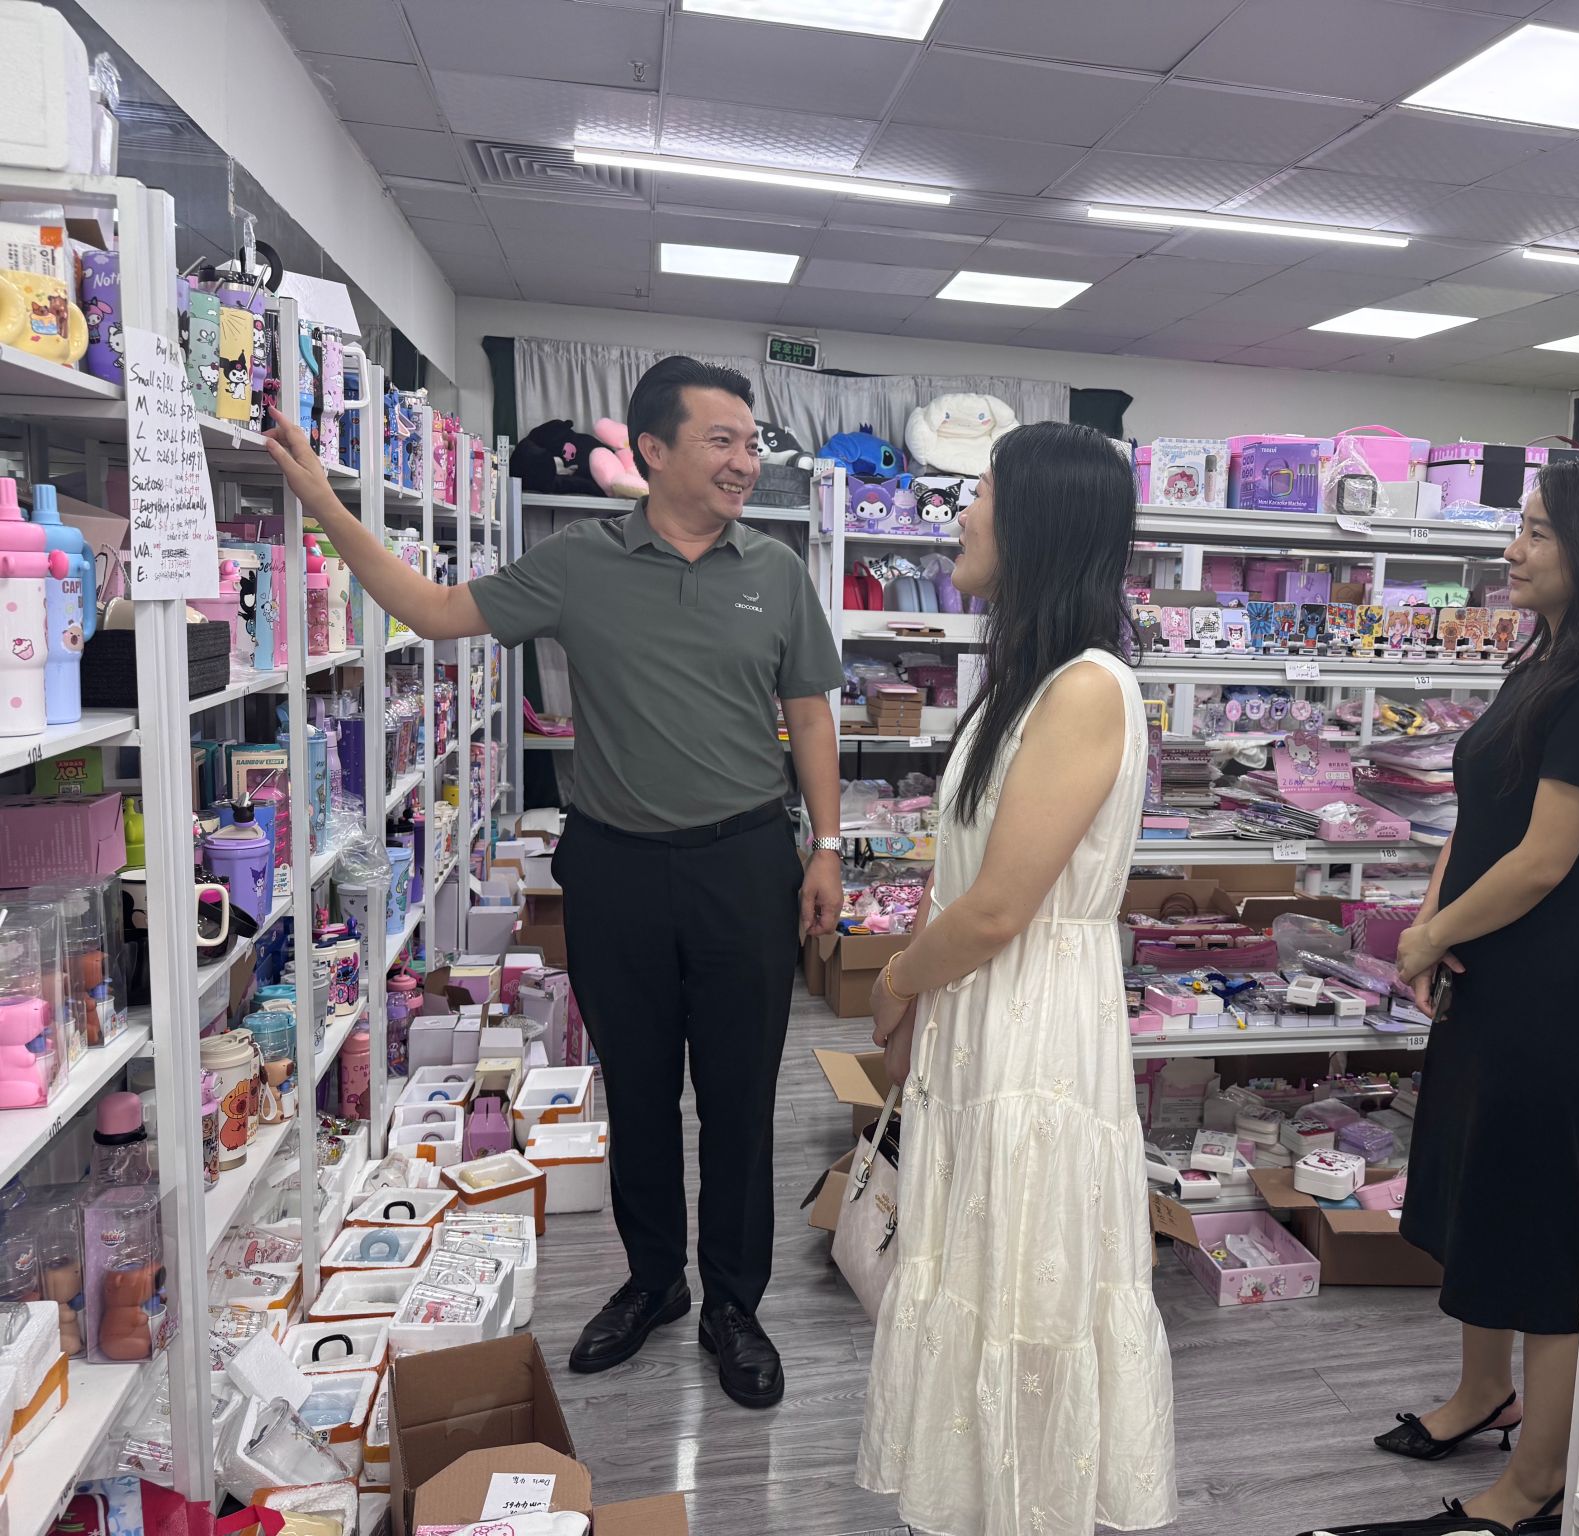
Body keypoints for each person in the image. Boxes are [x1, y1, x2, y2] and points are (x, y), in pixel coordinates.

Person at [263, 356, 845, 1405]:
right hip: (616, 865)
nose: (744, 462)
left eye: (749, 443)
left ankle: (733, 1302)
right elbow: (433, 610)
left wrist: (830, 846)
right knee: (639, 1089)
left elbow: (809, 713)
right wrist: (323, 501)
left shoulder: (776, 569)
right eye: (721, 440)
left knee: (739, 1099)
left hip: (745, 861)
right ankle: (655, 1281)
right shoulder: (580, 562)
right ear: (653, 450)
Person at [856, 423, 1177, 1536]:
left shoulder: (1086, 688)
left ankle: (1030, 1507)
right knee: (983, 1266)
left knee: (1027, 1279)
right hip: (990, 1011)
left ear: (1036, 520)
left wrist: (899, 979)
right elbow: (969, 877)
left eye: (979, 493)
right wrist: (920, 986)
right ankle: (981, 1499)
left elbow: (998, 907)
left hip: (1031, 1024)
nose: (961, 515)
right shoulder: (1026, 684)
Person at [1378, 454, 1579, 1531]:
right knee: (1478, 1186)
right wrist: (1432, 923)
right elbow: (1480, 817)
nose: (1514, 547)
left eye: (1538, 531)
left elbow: (1545, 861)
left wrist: (1432, 936)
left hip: (1549, 984)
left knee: (1538, 1220)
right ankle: (1480, 1392)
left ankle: (1539, 1478)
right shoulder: (1542, 661)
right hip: (1485, 963)